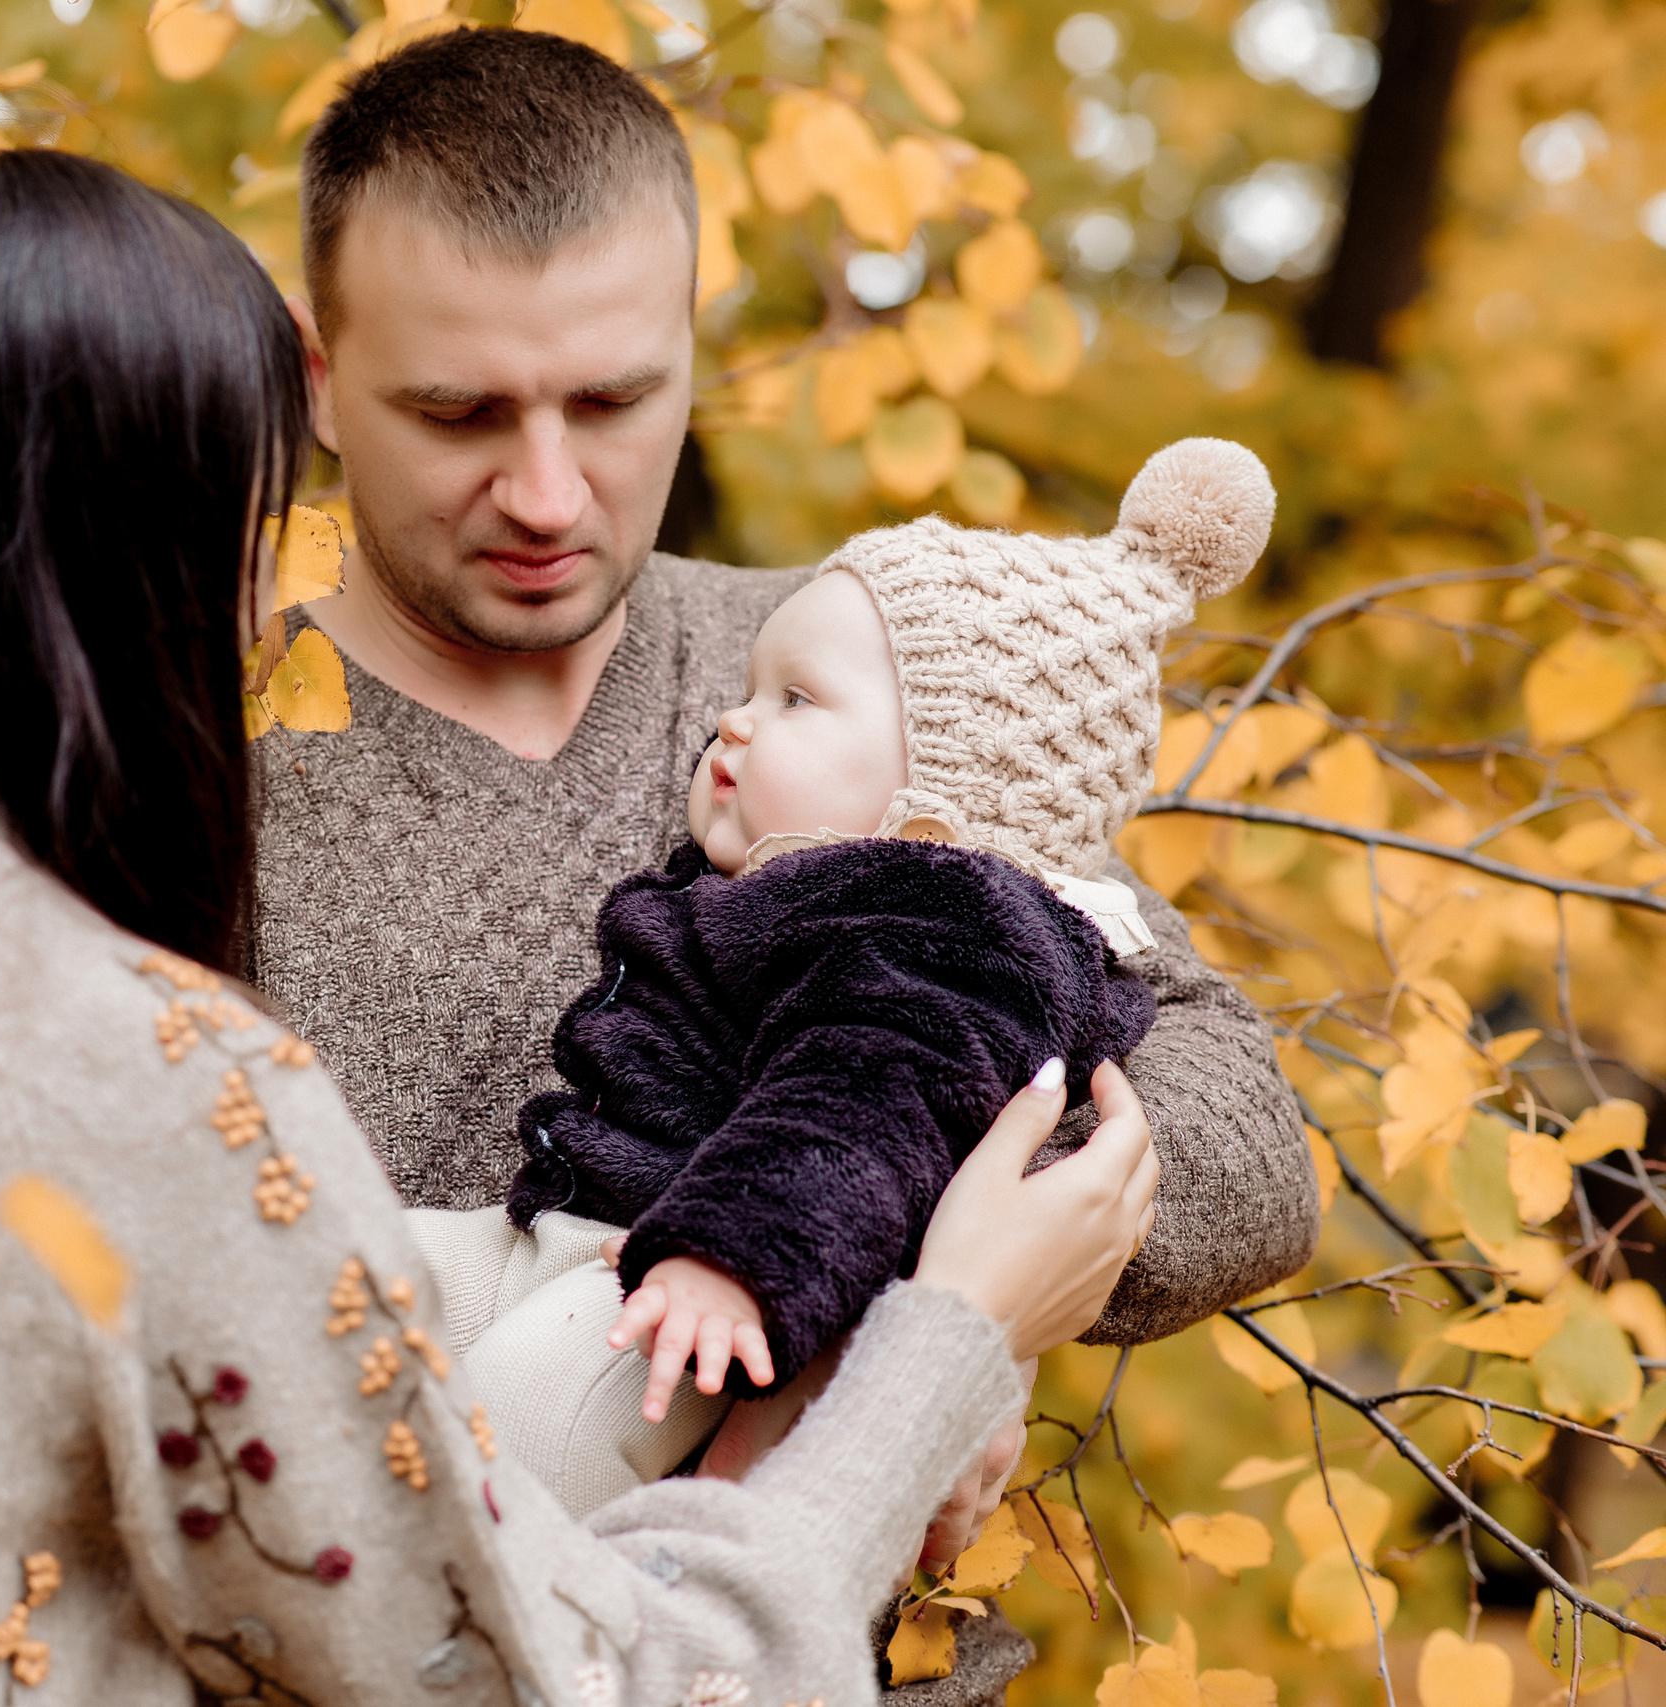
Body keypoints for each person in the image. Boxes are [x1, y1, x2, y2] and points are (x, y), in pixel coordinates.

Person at [0, 147, 1157, 1707]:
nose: (271, 609)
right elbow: (595, 1684)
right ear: (134, 562)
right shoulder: (151, 1080)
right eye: (256, 529)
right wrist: (947, 1337)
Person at [249, 31, 1320, 1686]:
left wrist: (909, 1321)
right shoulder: (187, 746)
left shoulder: (840, 665)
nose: (547, 490)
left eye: (611, 400)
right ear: (319, 375)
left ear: (689, 345)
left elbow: (1239, 1134)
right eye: (461, 410)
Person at [417, 440, 1271, 1520]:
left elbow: (866, 1101)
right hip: (575, 1242)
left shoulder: (938, 929)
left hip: (703, 1296)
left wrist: (735, 1262)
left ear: (931, 812)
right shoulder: (808, 881)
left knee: (518, 1433)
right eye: (750, 688)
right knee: (336, 1267)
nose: (733, 720)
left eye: (796, 701)